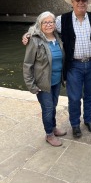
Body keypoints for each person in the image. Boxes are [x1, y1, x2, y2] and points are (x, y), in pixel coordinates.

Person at [58, 0, 91, 138]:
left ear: (87, 2)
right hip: (74, 65)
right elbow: (43, 26)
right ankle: (75, 124)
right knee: (74, 97)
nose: (81, 2)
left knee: (90, 95)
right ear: (72, 2)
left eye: (84, 0)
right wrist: (29, 34)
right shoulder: (62, 19)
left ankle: (88, 120)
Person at [23, 11, 66, 147]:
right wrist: (31, 85)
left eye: (51, 22)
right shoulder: (35, 40)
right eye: (45, 22)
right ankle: (49, 134)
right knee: (47, 108)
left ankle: (53, 127)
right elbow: (27, 64)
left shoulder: (57, 37)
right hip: (42, 83)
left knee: (53, 106)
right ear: (39, 25)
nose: (48, 25)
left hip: (56, 80)